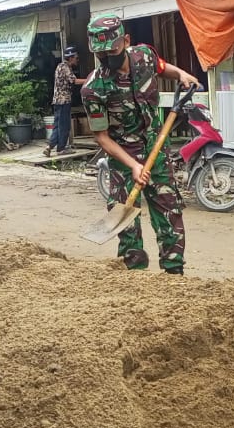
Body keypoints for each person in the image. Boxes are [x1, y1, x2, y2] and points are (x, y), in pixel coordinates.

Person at [81, 14, 201, 275]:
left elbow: (161, 67)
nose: (106, 58)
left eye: (111, 51)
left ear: (126, 41)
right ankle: (135, 279)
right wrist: (133, 165)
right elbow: (102, 137)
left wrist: (181, 74)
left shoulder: (143, 56)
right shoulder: (93, 89)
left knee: (169, 212)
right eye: (100, 54)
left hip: (156, 151)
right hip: (123, 158)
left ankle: (174, 274)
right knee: (126, 223)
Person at [43, 46, 85, 158]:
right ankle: (61, 148)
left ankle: (49, 146)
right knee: (64, 125)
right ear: (70, 58)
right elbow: (74, 81)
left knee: (57, 125)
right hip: (63, 100)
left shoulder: (59, 66)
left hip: (57, 100)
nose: (77, 60)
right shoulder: (65, 67)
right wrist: (89, 80)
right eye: (76, 58)